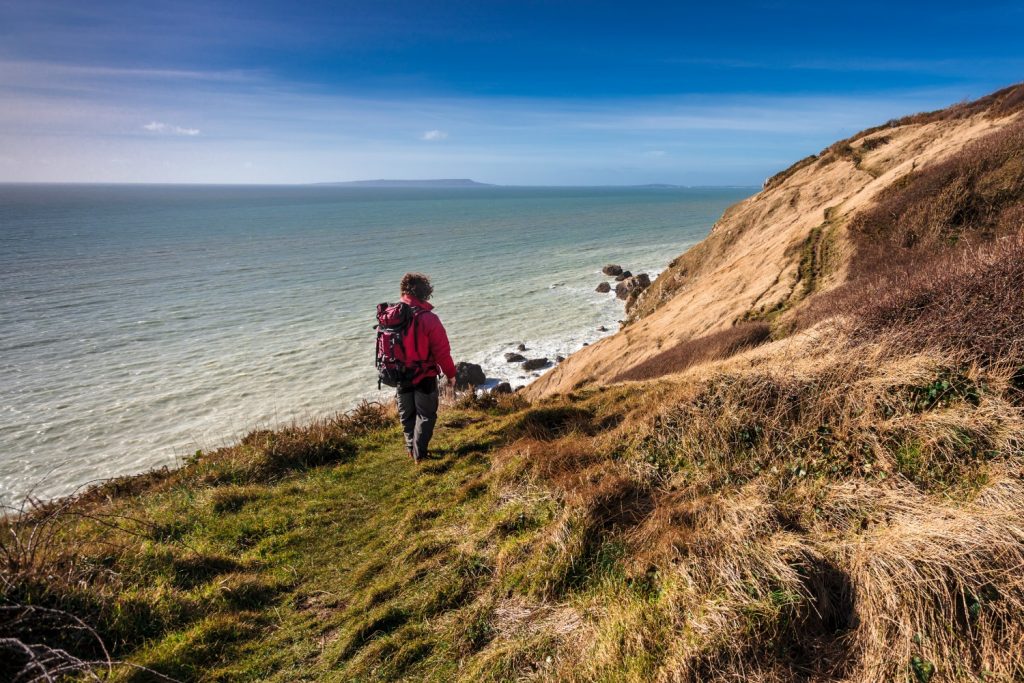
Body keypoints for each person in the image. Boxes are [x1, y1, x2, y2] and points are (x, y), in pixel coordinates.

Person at [394, 272, 457, 463]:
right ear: (426, 294)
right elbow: (442, 352)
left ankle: (410, 448)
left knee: (407, 414)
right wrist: (451, 375)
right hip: (424, 374)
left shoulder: (390, 316)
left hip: (399, 374)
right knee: (426, 415)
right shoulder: (429, 318)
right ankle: (419, 454)